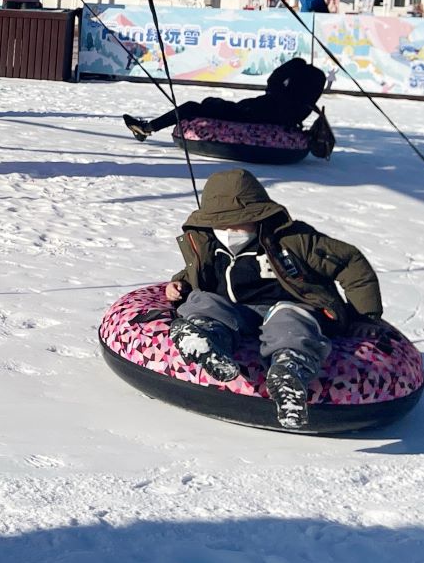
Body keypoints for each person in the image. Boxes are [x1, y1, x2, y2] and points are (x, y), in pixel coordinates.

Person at [164, 168, 387, 430]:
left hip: (288, 306)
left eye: (239, 221)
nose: (230, 230)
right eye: (222, 223)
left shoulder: (294, 240)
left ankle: (289, 372)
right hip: (237, 313)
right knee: (203, 301)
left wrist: (363, 315)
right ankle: (205, 339)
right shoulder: (209, 244)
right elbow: (197, 272)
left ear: (259, 216)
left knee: (289, 320)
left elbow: (351, 263)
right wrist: (180, 285)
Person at [124, 57, 326, 141]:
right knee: (209, 104)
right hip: (252, 112)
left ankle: (148, 129)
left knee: (193, 107)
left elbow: (273, 80)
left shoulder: (280, 98)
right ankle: (148, 128)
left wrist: (294, 65)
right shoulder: (302, 106)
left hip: (246, 114)